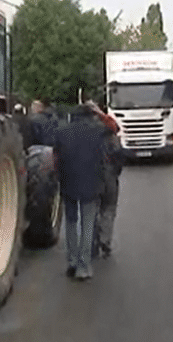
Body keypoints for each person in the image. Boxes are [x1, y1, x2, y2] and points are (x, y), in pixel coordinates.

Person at [54, 104, 109, 280]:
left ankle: (72, 261)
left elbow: (56, 158)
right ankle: (84, 266)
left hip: (68, 181)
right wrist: (99, 112)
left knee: (70, 222)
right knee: (88, 224)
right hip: (91, 181)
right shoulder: (98, 130)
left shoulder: (62, 131)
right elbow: (115, 127)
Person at [86, 101, 123, 259]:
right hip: (110, 174)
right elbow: (119, 155)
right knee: (108, 208)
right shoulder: (110, 131)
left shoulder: (86, 133)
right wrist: (115, 172)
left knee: (93, 209)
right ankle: (105, 241)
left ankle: (92, 242)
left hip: (92, 175)